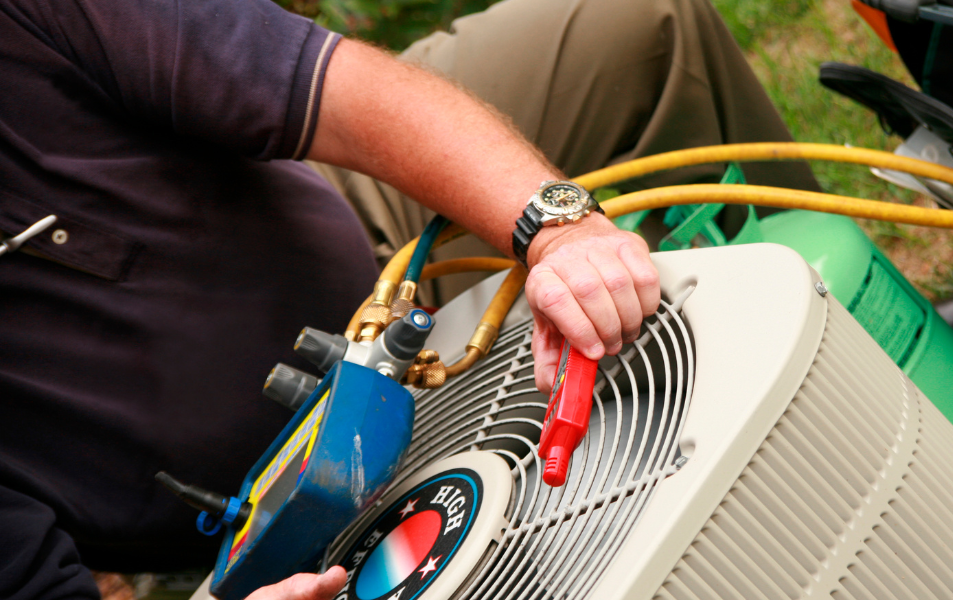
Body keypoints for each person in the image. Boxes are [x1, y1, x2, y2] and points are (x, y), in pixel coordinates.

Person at [0, 0, 817, 599]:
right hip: (263, 504)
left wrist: (558, 231)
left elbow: (341, 94)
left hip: (339, 213)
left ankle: (840, 319)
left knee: (643, 30)